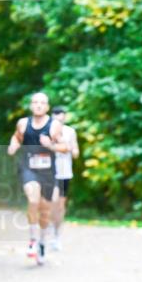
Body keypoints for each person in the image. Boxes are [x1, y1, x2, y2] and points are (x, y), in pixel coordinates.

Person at [7, 92, 66, 265]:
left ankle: (41, 242)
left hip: (48, 172)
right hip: (28, 168)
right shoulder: (23, 124)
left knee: (45, 209)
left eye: (42, 103)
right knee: (33, 200)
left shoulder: (54, 126)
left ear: (47, 107)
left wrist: (51, 145)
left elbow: (65, 147)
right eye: (35, 102)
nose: (39, 105)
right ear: (31, 106)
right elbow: (16, 138)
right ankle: (32, 240)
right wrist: (13, 145)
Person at [50, 106, 79, 251]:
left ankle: (56, 235)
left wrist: (71, 149)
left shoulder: (70, 132)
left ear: (65, 118)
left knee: (60, 205)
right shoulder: (46, 131)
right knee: (53, 201)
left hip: (64, 172)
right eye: (56, 119)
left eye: (61, 119)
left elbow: (75, 151)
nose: (58, 121)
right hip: (48, 172)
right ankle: (48, 228)